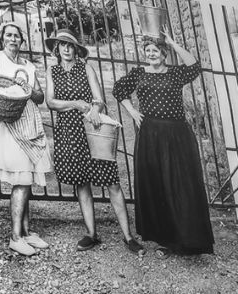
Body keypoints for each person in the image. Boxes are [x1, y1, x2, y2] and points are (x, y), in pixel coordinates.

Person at [113, 26, 213, 258]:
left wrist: (172, 42)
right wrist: (132, 112)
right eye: (147, 50)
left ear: (163, 53)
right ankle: (164, 241)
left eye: (155, 50)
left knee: (180, 184)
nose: (151, 54)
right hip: (150, 135)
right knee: (157, 184)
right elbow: (119, 90)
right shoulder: (139, 73)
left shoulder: (175, 73)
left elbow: (194, 65)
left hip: (176, 134)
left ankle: (187, 239)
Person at [45, 29, 144, 254]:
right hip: (69, 131)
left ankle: (128, 237)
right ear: (57, 48)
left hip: (93, 128)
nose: (66, 49)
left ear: (76, 49)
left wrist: (93, 109)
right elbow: (50, 102)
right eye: (62, 45)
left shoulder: (86, 68)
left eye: (70, 45)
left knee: (111, 181)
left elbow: (99, 100)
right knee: (81, 182)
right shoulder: (52, 71)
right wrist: (76, 104)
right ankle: (91, 233)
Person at [0, 22, 52, 257]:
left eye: (16, 36)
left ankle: (26, 232)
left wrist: (26, 85)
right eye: (8, 35)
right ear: (2, 39)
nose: (12, 39)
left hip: (29, 123)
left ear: (21, 40)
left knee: (26, 178)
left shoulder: (28, 66)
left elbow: (39, 97)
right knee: (21, 179)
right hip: (9, 123)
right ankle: (15, 237)